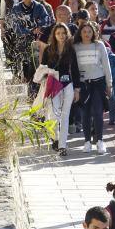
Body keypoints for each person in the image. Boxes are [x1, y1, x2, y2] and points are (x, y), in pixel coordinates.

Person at [40, 23, 80, 156]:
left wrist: (77, 89)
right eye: (58, 33)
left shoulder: (71, 50)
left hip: (67, 84)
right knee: (54, 115)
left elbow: (75, 70)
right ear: (54, 35)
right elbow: (42, 68)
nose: (61, 36)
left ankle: (63, 146)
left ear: (67, 34)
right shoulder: (48, 50)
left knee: (65, 115)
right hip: (53, 85)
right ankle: (55, 138)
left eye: (63, 33)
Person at [73, 21, 112, 155]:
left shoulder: (99, 45)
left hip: (98, 82)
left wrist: (109, 83)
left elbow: (106, 65)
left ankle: (100, 141)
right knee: (86, 114)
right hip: (83, 84)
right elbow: (74, 68)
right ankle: (87, 142)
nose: (87, 34)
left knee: (98, 112)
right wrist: (76, 87)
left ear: (93, 32)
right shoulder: (76, 47)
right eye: (84, 31)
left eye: (89, 31)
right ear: (80, 33)